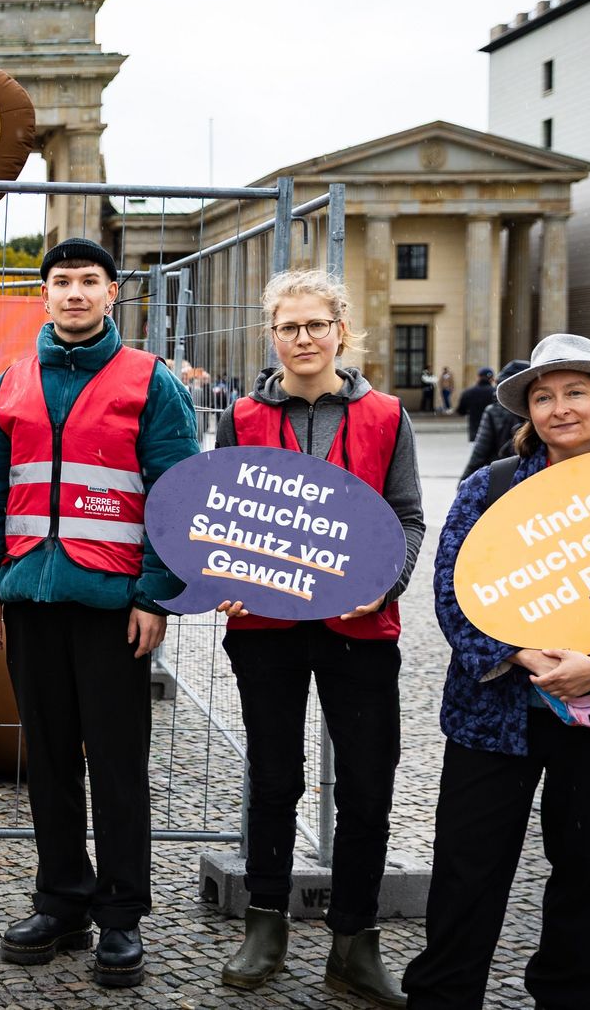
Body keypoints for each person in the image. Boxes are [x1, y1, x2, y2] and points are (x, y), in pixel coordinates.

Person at [402, 334, 590, 1009]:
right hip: (495, 711)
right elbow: (452, 589)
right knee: (467, 869)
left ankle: (570, 998)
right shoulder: (491, 486)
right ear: (527, 412)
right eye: (544, 396)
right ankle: (444, 996)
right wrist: (518, 653)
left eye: (575, 392)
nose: (560, 408)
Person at [0, 237, 199, 987]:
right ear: (44, 294)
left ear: (113, 292)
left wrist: (158, 594)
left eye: (89, 281)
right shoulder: (11, 384)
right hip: (30, 600)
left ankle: (121, 914)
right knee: (51, 761)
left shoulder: (150, 383)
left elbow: (176, 493)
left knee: (118, 765)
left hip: (113, 606)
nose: (74, 294)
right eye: (61, 282)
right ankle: (62, 899)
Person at [211, 271, 423, 1007]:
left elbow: (407, 517)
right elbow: (224, 514)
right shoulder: (241, 416)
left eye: (314, 325)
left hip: (359, 627)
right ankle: (264, 924)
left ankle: (354, 943)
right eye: (287, 327)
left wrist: (387, 582)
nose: (301, 338)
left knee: (367, 787)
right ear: (271, 335)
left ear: (340, 329)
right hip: (266, 627)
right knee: (274, 778)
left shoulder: (388, 415)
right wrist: (225, 572)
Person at [460, 360, 531, 480]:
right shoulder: (532, 411)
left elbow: (479, 452)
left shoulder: (492, 408)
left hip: (500, 473)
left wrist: (465, 480)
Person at [453, 367, 498, 441]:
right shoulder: (495, 393)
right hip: (493, 433)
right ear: (492, 378)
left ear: (478, 377)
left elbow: (461, 411)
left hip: (475, 432)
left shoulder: (468, 392)